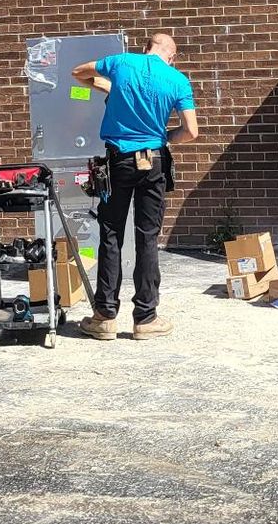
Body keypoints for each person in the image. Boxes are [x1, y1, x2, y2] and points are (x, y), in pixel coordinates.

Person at [69, 31, 199, 340]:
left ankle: (104, 317)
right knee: (148, 237)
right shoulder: (178, 80)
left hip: (118, 161)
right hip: (154, 161)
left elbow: (78, 73)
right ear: (172, 56)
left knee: (111, 234)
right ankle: (145, 319)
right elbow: (192, 131)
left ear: (146, 48)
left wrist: (109, 88)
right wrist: (165, 138)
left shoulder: (122, 62)